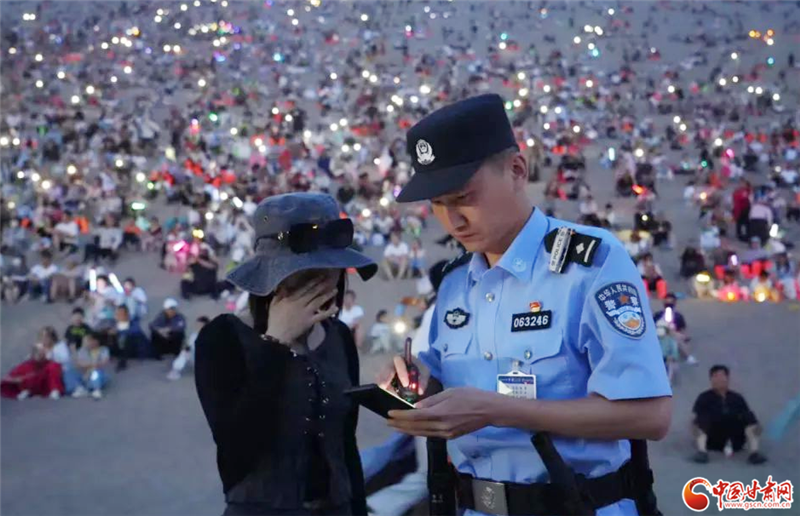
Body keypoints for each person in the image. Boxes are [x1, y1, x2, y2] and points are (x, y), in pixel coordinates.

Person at [382, 94, 671, 516]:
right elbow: (443, 381)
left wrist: (499, 411)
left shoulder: (590, 265)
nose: (452, 221)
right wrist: (413, 386)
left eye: (463, 197)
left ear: (517, 170)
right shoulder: (456, 281)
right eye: (438, 204)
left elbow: (651, 415)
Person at [194, 192, 377, 515]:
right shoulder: (222, 338)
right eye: (306, 275)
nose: (322, 282)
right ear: (273, 277)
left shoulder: (338, 336)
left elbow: (346, 447)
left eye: (330, 269)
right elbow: (235, 450)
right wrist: (275, 344)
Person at [691, 365, 767, 465]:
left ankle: (754, 453)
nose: (719, 379)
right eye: (715, 376)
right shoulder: (704, 397)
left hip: (735, 439)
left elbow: (750, 419)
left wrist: (755, 427)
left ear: (727, 378)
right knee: (701, 419)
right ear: (711, 380)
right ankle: (702, 452)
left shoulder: (737, 398)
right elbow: (696, 420)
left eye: (722, 376)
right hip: (712, 439)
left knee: (749, 417)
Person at [167, 316, 209, 381]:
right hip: (195, 358)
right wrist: (186, 351)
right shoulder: (194, 335)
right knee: (184, 353)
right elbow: (188, 346)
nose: (198, 326)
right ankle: (175, 370)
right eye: (197, 324)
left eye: (200, 325)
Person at [74, 332, 111, 400]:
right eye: (86, 341)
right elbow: (79, 364)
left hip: (100, 376)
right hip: (85, 374)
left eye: (89, 340)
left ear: (96, 341)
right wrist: (91, 365)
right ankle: (81, 388)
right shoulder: (82, 350)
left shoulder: (103, 349)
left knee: (95, 372)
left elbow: (103, 362)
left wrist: (89, 366)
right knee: (71, 371)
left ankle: (96, 390)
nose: (87, 343)